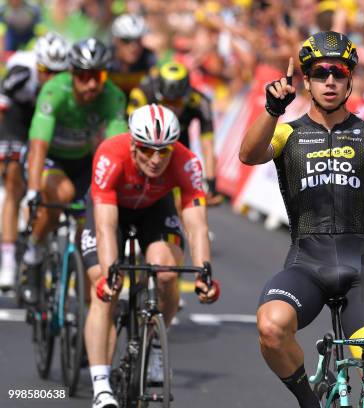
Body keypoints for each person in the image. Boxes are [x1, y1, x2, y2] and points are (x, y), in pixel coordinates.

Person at [240, 31, 364, 408]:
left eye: (339, 73)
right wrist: (272, 111)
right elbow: (248, 155)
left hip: (361, 268)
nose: (329, 81)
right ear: (305, 80)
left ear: (350, 80)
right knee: (271, 326)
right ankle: (309, 402)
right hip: (307, 263)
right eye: (320, 73)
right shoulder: (287, 134)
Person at [83, 104, 218, 408]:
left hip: (154, 210)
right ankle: (101, 384)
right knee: (105, 289)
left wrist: (204, 274)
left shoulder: (187, 162)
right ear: (133, 143)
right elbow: (105, 226)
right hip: (111, 208)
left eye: (164, 151)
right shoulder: (110, 154)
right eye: (146, 150)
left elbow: (197, 225)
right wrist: (109, 273)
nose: (156, 159)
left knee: (168, 272)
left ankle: (156, 342)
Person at [21, 37, 127, 305]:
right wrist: (33, 192)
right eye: (83, 76)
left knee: (87, 227)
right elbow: (38, 145)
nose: (91, 84)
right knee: (61, 196)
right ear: (72, 74)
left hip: (82, 162)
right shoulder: (55, 91)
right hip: (50, 159)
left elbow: (116, 149)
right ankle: (33, 254)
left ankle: (83, 289)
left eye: (98, 76)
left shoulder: (112, 96)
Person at [0, 32, 69, 289]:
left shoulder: (70, 82)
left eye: (57, 72)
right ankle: (7, 259)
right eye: (45, 70)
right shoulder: (20, 72)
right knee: (14, 179)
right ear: (36, 64)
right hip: (18, 119)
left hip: (51, 117)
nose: (50, 77)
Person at [128, 61, 223, 205]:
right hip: (146, 143)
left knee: (181, 199)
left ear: (186, 96)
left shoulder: (200, 102)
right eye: (166, 101)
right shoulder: (142, 93)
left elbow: (207, 144)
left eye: (177, 102)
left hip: (179, 143)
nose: (171, 108)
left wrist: (211, 183)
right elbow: (128, 134)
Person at [107, 13, 157, 96]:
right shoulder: (106, 60)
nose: (134, 46)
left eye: (138, 40)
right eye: (127, 40)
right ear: (116, 41)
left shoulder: (149, 61)